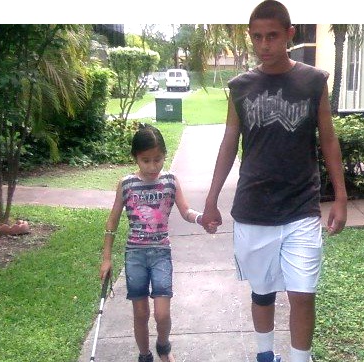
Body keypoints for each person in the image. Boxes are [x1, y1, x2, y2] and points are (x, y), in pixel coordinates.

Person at [200, 1, 348, 361]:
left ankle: (300, 358)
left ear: (289, 36)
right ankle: (265, 354)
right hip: (254, 208)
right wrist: (211, 198)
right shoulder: (240, 87)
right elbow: (229, 142)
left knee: (303, 293)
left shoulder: (313, 81)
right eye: (257, 37)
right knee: (262, 293)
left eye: (272, 36)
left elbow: (328, 139)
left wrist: (341, 197)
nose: (264, 45)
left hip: (301, 206)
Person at [100, 124, 206, 362]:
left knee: (161, 314)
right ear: (135, 158)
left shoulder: (170, 181)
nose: (152, 166)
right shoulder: (126, 184)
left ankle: (163, 345)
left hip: (161, 254)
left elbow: (186, 210)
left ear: (164, 156)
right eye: (145, 160)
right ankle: (144, 355)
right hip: (135, 255)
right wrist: (107, 258)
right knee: (140, 313)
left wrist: (201, 218)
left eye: (157, 159)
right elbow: (112, 222)